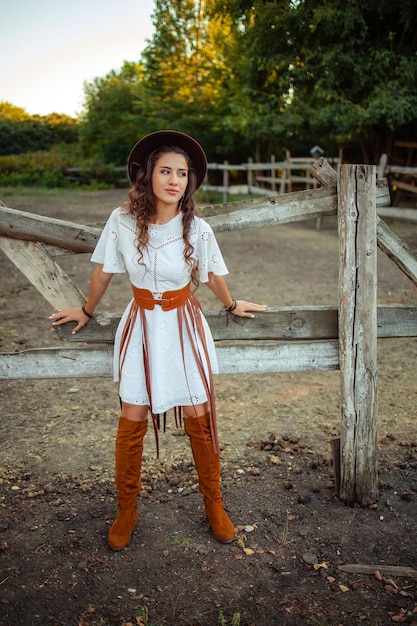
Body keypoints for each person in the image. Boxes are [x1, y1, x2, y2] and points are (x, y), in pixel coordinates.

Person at [49, 130, 266, 551]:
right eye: (166, 171)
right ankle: (126, 509)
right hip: (143, 323)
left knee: (198, 409)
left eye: (182, 174)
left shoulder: (196, 227)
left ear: (189, 181)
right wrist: (87, 310)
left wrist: (231, 302)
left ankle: (214, 504)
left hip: (183, 325)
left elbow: (212, 274)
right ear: (148, 175)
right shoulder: (122, 222)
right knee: (133, 411)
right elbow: (104, 271)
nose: (174, 180)